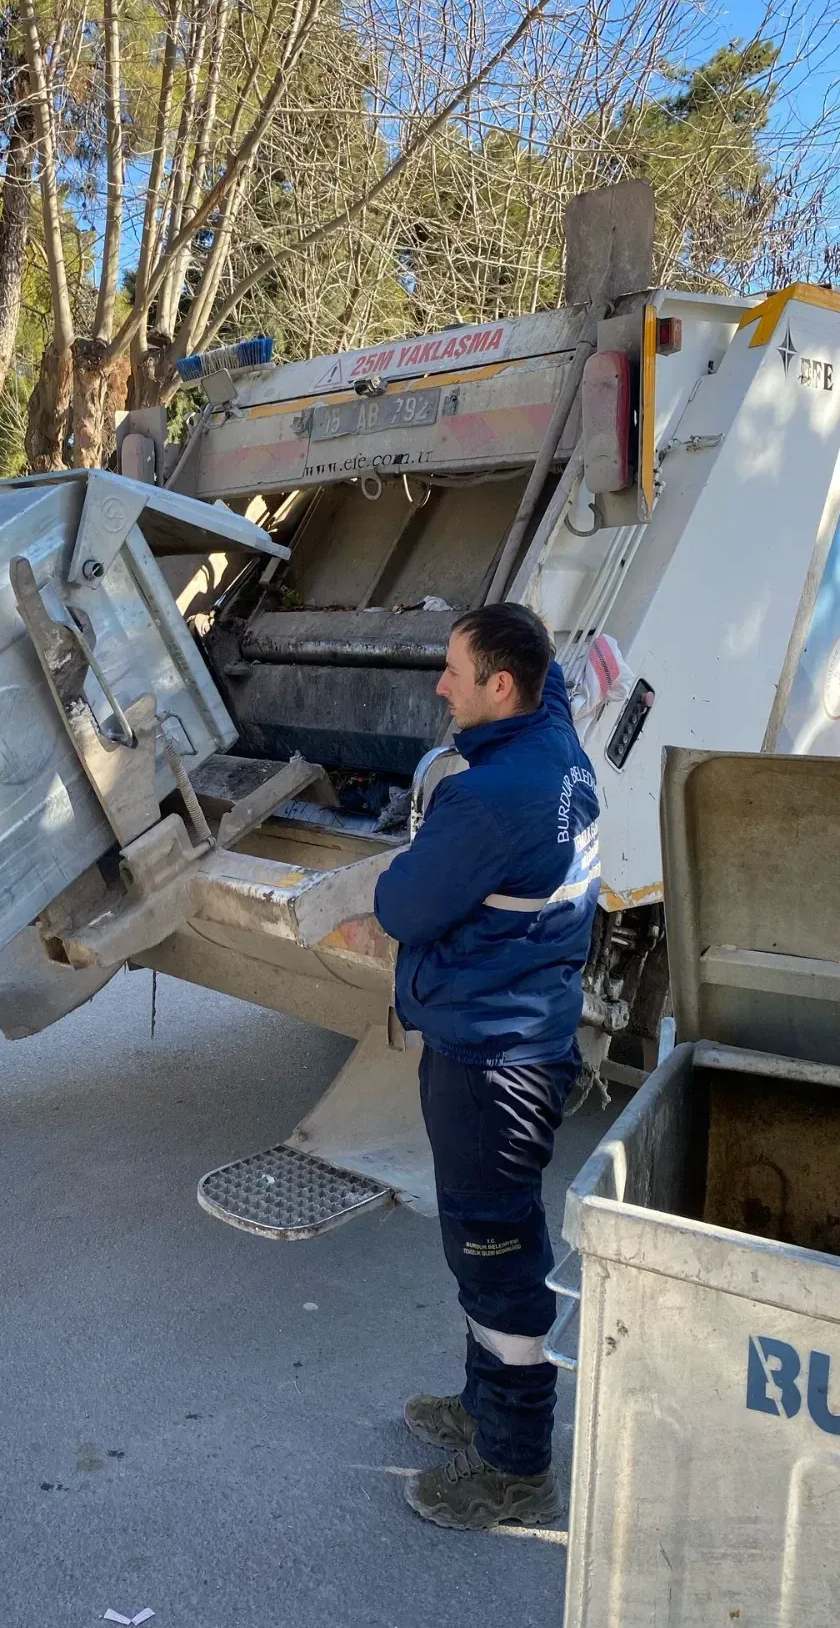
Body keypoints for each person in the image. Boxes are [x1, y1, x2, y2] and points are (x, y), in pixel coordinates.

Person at [374, 602, 599, 1532]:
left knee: (495, 1254)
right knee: (484, 1240)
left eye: (454, 672)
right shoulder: (555, 744)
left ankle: (515, 1466)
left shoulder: (490, 798)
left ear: (501, 685)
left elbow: (399, 904)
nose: (441, 685)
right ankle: (481, 1406)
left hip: (491, 1059)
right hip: (524, 1034)